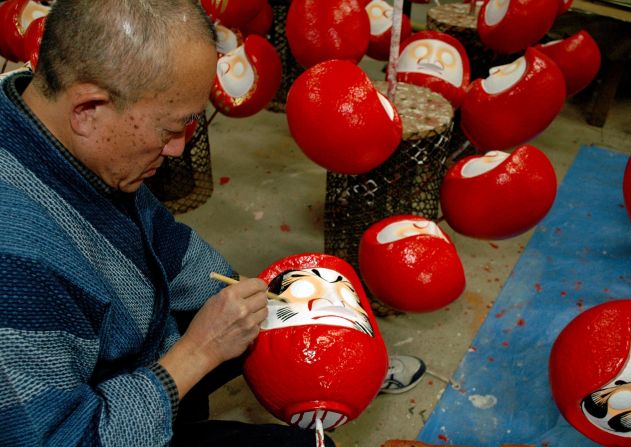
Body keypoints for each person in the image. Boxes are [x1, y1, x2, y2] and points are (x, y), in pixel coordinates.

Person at [0, 1, 426, 446]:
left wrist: (284, 310)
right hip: (93, 420)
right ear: (88, 108)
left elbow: (163, 240)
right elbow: (62, 438)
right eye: (170, 129)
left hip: (138, 338)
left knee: (298, 299)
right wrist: (197, 353)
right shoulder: (15, 261)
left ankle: (347, 368)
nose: (179, 149)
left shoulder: (58, 127)